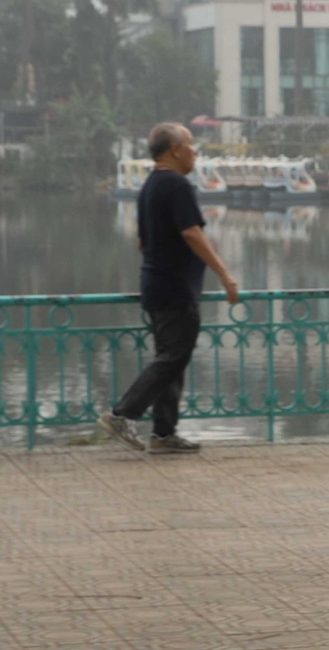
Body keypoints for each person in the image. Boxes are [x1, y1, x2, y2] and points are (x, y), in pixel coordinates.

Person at [100, 122, 239, 455]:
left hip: (156, 285)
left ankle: (164, 433)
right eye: (190, 145)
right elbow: (192, 232)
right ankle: (122, 414)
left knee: (170, 360)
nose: (195, 152)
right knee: (173, 357)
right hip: (176, 289)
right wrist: (225, 274)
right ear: (175, 150)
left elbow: (142, 242)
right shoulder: (177, 185)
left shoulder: (149, 186)